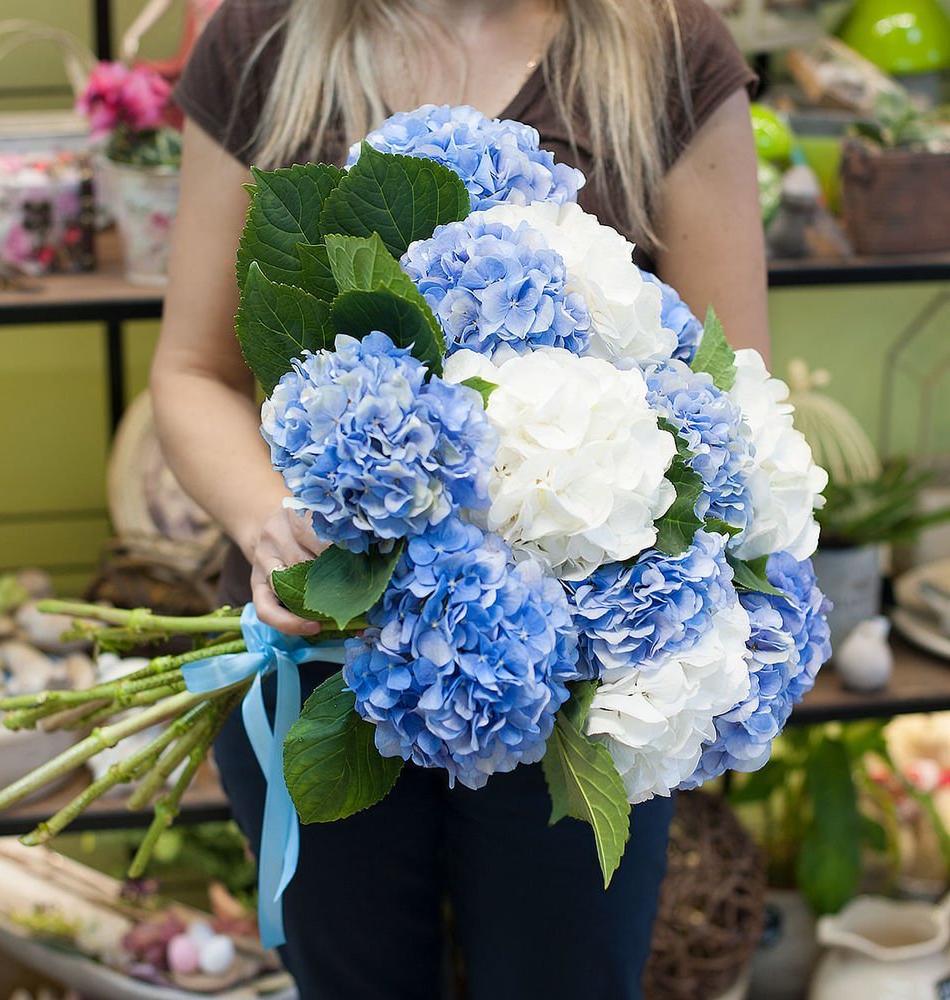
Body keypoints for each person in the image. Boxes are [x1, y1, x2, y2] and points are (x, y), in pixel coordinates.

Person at [151, 2, 768, 997]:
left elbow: (725, 397)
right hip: (324, 650)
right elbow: (193, 371)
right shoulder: (265, 37)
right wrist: (272, 524)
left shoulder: (664, 47)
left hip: (576, 686)